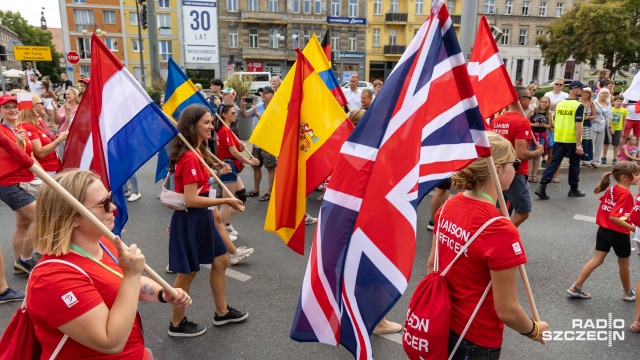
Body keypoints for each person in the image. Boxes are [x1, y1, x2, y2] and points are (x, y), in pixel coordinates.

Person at [27, 169, 191, 357]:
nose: (113, 207)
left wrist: (162, 293)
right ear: (72, 218)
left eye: (110, 198)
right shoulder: (52, 278)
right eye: (103, 204)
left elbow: (122, 285)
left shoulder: (103, 242)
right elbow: (110, 342)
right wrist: (131, 274)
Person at [427, 132, 549, 358]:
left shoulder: (448, 204)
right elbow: (508, 311)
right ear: (499, 169)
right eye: (516, 163)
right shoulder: (499, 229)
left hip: (442, 321)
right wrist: (534, 330)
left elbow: (432, 264)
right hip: (477, 337)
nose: (518, 169)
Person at [168, 104, 248, 337]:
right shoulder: (191, 156)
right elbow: (192, 199)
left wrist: (216, 173)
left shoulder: (196, 151)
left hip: (199, 218)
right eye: (206, 122)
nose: (211, 126)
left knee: (221, 260)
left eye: (210, 122)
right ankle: (177, 324)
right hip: (191, 219)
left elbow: (197, 189)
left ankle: (221, 313)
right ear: (192, 126)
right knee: (187, 274)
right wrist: (227, 202)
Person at [566, 161, 639, 302]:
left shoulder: (612, 189)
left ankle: (576, 286)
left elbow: (608, 208)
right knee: (624, 264)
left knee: (596, 259)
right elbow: (614, 216)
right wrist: (633, 228)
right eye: (636, 175)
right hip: (618, 233)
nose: (638, 177)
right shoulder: (627, 194)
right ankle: (628, 292)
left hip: (603, 231)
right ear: (624, 177)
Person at [491, 85, 544, 227]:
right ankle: (501, 237)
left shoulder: (498, 120)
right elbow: (521, 154)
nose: (531, 101)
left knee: (501, 210)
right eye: (530, 98)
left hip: (498, 170)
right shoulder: (522, 122)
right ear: (521, 100)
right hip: (515, 172)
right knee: (523, 212)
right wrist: (538, 152)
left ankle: (496, 237)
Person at [535, 80, 586, 199]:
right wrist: (579, 144)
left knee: (554, 163)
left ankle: (542, 186)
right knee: (574, 165)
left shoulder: (560, 104)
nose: (582, 91)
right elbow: (578, 126)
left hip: (559, 138)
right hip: (572, 140)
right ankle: (573, 189)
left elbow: (557, 120)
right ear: (574, 89)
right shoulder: (579, 106)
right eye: (580, 89)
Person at [215, 103, 260, 239]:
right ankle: (219, 232)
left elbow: (235, 149)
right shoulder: (224, 130)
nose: (235, 115)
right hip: (228, 165)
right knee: (227, 200)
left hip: (230, 165)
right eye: (233, 113)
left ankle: (226, 225)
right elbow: (233, 153)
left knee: (240, 196)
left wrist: (241, 147)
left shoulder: (227, 130)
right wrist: (250, 161)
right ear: (224, 115)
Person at [240, 86, 277, 201]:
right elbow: (245, 115)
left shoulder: (275, 107)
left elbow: (268, 124)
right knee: (256, 166)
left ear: (272, 94)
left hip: (267, 142)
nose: (263, 95)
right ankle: (256, 190)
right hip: (257, 142)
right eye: (262, 93)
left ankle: (269, 192)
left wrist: (256, 113)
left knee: (270, 167)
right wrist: (242, 106)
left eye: (266, 93)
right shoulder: (260, 106)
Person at [19, 94, 68, 176]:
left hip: (54, 166)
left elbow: (50, 141)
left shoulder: (40, 121)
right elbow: (40, 153)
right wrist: (59, 140)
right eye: (41, 103)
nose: (44, 105)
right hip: (44, 170)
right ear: (33, 107)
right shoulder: (27, 126)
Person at [543, 77, 569, 169]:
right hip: (548, 117)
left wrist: (555, 105)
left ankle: (552, 158)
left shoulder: (565, 95)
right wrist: (558, 105)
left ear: (563, 86)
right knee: (546, 139)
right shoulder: (548, 94)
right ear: (553, 84)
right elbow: (546, 104)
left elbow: (566, 106)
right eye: (556, 84)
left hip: (560, 120)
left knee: (554, 142)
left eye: (560, 84)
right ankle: (544, 157)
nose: (558, 86)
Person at [528, 96, 552, 183]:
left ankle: (534, 174)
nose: (544, 104)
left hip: (541, 136)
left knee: (537, 156)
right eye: (542, 102)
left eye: (546, 102)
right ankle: (529, 174)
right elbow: (525, 122)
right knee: (530, 155)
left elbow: (550, 126)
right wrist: (533, 125)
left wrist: (544, 126)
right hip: (532, 136)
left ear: (548, 104)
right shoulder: (533, 111)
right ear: (539, 102)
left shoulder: (548, 114)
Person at [594, 88, 612, 167]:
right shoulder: (594, 103)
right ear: (599, 94)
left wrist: (610, 126)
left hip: (603, 126)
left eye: (606, 93)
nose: (604, 94)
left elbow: (609, 116)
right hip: (593, 125)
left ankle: (596, 161)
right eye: (603, 93)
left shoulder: (609, 103)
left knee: (599, 144)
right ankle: (589, 160)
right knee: (591, 144)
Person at [608, 95, 628, 165]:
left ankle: (614, 158)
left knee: (616, 144)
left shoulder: (624, 110)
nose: (619, 102)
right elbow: (609, 119)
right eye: (618, 101)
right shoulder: (610, 109)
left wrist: (623, 130)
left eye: (621, 101)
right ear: (614, 102)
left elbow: (624, 120)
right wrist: (611, 127)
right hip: (610, 128)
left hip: (618, 129)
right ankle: (604, 157)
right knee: (606, 143)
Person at [579, 87, 596, 166]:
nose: (585, 94)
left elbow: (593, 116)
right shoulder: (577, 102)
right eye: (583, 92)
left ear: (589, 94)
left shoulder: (591, 103)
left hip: (587, 124)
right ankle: (577, 159)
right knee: (578, 140)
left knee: (586, 141)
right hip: (578, 123)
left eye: (587, 93)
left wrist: (588, 117)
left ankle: (586, 159)